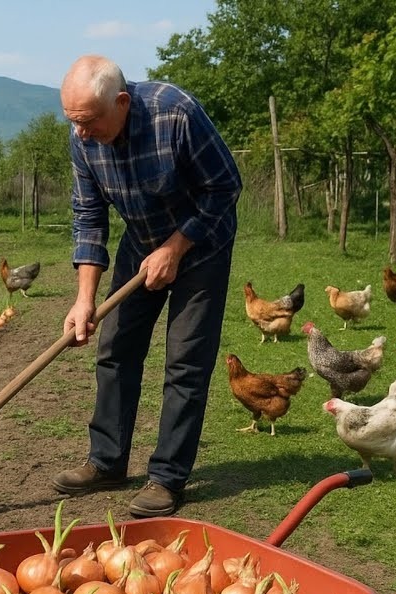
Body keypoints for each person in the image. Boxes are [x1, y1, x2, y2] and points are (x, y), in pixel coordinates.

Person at [51, 55, 241, 517]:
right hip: (141, 241)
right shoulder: (85, 139)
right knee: (115, 348)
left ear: (121, 101)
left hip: (202, 245)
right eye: (72, 121)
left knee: (185, 360)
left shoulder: (175, 114)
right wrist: (84, 300)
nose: (80, 133)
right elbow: (89, 217)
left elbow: (225, 186)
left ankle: (167, 477)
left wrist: (176, 250)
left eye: (88, 121)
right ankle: (106, 462)